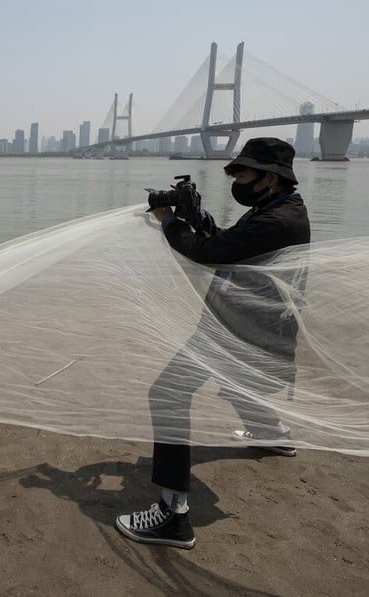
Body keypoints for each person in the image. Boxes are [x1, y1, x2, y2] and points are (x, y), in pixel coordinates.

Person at [115, 138, 311, 549]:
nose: (237, 180)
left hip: (240, 329)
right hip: (255, 325)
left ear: (269, 177)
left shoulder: (276, 221)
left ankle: (172, 516)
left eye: (242, 173)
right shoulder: (277, 209)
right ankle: (272, 435)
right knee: (237, 382)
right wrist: (197, 215)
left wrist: (169, 219)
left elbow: (208, 253)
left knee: (166, 395)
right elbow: (231, 246)